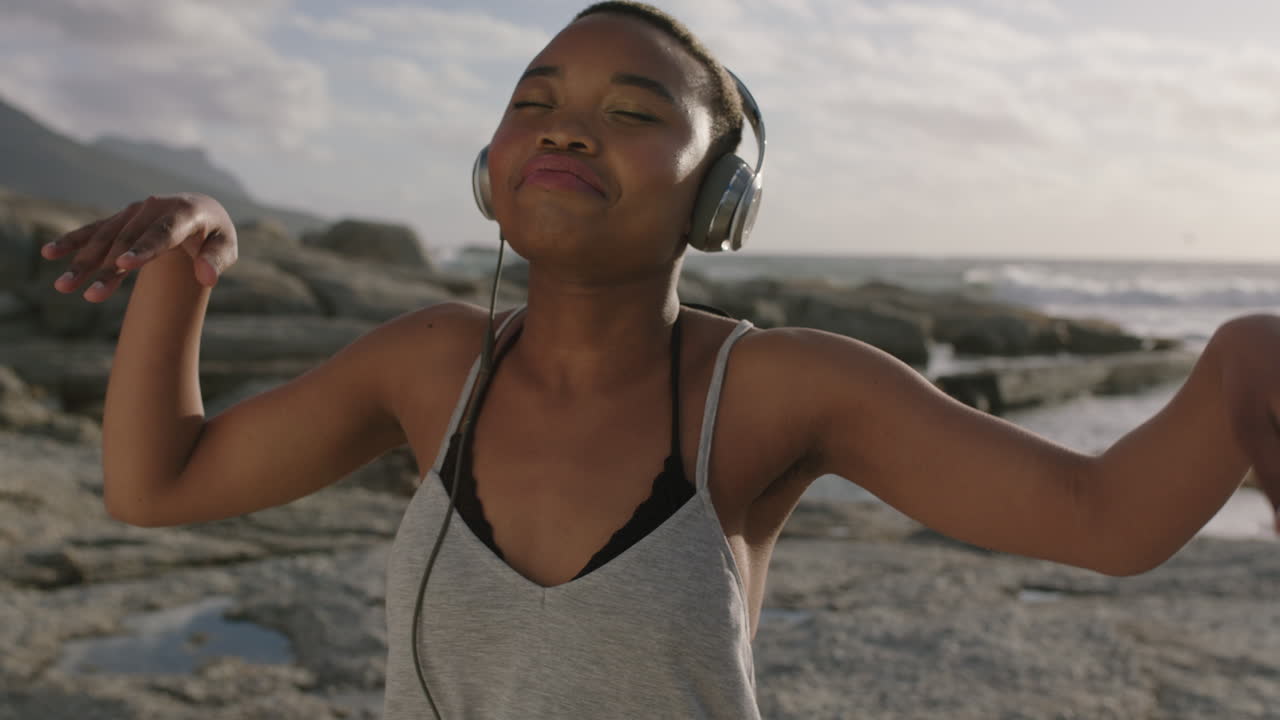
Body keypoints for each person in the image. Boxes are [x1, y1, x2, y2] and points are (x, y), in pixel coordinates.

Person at [39, 2, 1280, 718]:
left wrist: (1236, 363)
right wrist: (182, 270)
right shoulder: (428, 365)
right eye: (535, 100)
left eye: (634, 111)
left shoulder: (781, 389)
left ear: (718, 201)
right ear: (491, 168)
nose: (569, 121)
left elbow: (1100, 516)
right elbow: (160, 486)